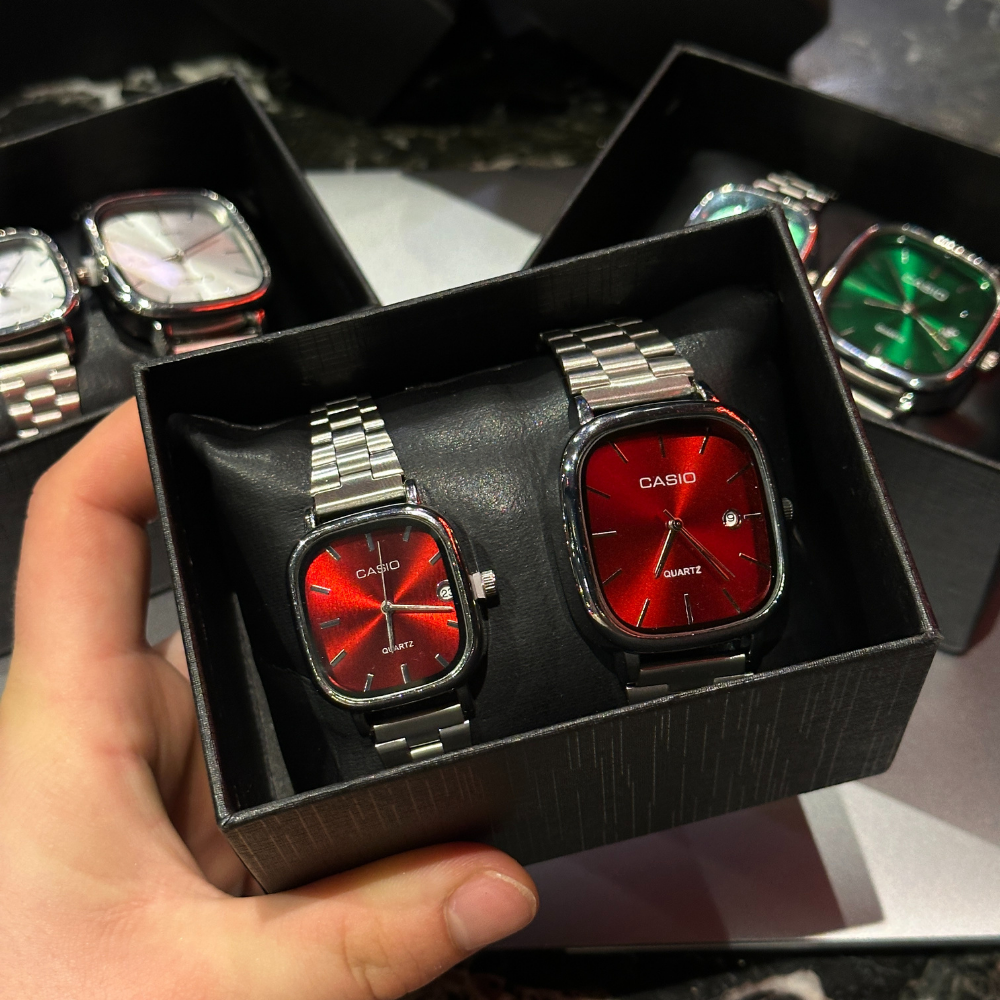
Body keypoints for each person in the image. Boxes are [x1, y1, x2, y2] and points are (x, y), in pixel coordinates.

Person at [0, 401, 538, 998]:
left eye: (392, 603)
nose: (386, 608)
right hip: (374, 699)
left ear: (475, 588)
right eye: (376, 607)